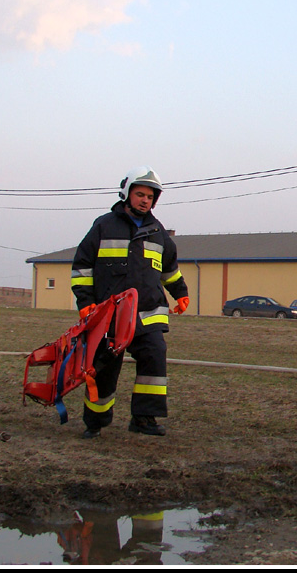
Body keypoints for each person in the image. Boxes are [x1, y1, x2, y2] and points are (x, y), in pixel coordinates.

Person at [71, 167, 189, 439]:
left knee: (154, 359)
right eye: (140, 194)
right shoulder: (103, 226)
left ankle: (144, 419)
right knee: (103, 369)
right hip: (108, 316)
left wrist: (180, 292)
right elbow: (82, 267)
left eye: (150, 196)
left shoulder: (158, 232)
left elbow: (169, 269)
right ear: (127, 193)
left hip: (147, 315)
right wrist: (86, 302)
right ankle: (95, 422)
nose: (145, 200)